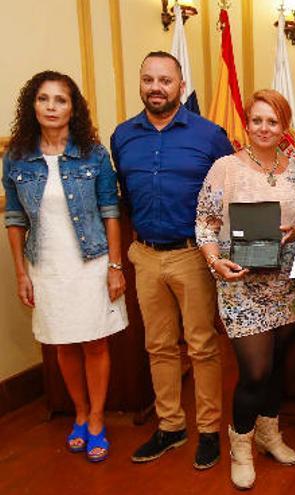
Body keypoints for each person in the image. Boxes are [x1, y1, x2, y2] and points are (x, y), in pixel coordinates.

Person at [111, 51, 234, 470]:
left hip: (192, 255)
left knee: (201, 346)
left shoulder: (211, 135)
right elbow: (124, 197)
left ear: (181, 86)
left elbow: (224, 195)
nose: (156, 87)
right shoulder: (123, 136)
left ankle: (210, 430)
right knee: (158, 346)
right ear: (140, 83)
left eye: (165, 80)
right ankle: (170, 426)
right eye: (148, 79)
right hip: (144, 255)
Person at [2, 71, 127, 463]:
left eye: (61, 100)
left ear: (74, 108)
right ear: (32, 106)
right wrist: (21, 273)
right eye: (44, 99)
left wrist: (115, 265)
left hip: (91, 262)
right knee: (62, 343)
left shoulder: (93, 154)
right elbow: (15, 219)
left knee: (94, 341)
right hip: (46, 265)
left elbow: (111, 211)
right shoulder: (16, 157)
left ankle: (96, 419)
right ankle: (78, 410)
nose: (52, 107)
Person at [195, 89, 295, 489]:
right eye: (257, 120)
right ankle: (240, 445)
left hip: (289, 282)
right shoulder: (225, 167)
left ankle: (269, 433)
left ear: (285, 127)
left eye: (273, 121)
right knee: (255, 371)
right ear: (246, 123)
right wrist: (214, 260)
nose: (264, 127)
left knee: (277, 367)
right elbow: (206, 222)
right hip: (240, 284)